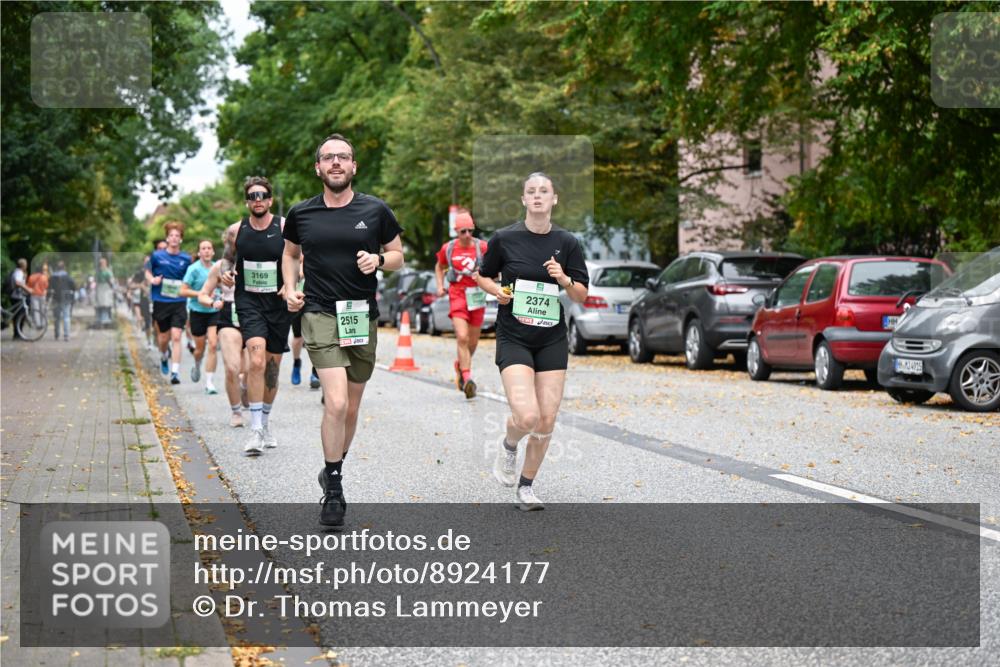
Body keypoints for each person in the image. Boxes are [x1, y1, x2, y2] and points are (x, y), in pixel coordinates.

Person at [281, 132, 404, 527]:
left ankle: (332, 465)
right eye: (329, 157)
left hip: (361, 316)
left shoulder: (376, 210)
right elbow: (289, 253)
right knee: (334, 403)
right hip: (318, 313)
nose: (336, 163)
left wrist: (379, 260)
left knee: (350, 406)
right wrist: (290, 287)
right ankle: (333, 487)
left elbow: (399, 255)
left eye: (344, 157)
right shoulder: (302, 214)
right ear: (318, 167)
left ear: (353, 166)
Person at [475, 172, 589, 511]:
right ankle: (510, 445)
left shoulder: (567, 243)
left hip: (551, 337)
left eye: (544, 191)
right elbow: (482, 275)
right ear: (524, 200)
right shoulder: (504, 238)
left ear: (554, 200)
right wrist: (497, 291)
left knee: (547, 420)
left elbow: (581, 295)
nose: (537, 196)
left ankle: (526, 487)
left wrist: (564, 278)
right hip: (514, 336)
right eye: (531, 192)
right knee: (527, 416)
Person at [222, 176, 291, 455]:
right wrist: (226, 272)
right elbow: (227, 258)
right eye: (252, 196)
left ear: (270, 200)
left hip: (278, 303)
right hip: (248, 302)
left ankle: (265, 421)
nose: (258, 199)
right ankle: (254, 431)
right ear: (246, 201)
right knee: (256, 360)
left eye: (262, 195)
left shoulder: (285, 227)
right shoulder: (236, 230)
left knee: (272, 370)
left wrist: (291, 282)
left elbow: (299, 258)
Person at [435, 210, 490, 399]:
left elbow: (495, 265)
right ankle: (467, 378)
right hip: (457, 294)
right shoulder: (448, 248)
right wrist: (440, 285)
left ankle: (460, 366)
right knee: (462, 337)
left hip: (477, 296)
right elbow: (439, 266)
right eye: (462, 231)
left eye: (469, 231)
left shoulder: (482, 247)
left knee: (473, 342)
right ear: (456, 231)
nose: (467, 235)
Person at [200, 228, 248, 427]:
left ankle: (245, 386)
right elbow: (203, 294)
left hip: (256, 314)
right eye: (232, 238)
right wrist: (212, 303)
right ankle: (236, 412)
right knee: (232, 368)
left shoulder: (260, 261)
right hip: (229, 315)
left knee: (252, 368)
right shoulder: (219, 266)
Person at [147, 221, 192, 384]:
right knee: (163, 338)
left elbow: (190, 277)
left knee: (177, 336)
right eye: (171, 236)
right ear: (167, 238)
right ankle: (164, 355)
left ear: (180, 239)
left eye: (177, 236)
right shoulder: (157, 256)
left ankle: (175, 373)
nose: (174, 238)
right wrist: (153, 280)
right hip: (161, 300)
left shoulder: (186, 259)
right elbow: (147, 271)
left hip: (179, 301)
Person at [181, 240, 220, 393]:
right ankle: (197, 363)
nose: (206, 251)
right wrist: (201, 294)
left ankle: (209, 383)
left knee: (212, 344)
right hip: (197, 312)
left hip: (214, 311)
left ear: (213, 252)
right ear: (199, 253)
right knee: (200, 349)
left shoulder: (218, 267)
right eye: (203, 248)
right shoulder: (193, 269)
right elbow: (183, 291)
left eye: (209, 248)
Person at [289, 255, 320, 388]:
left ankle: (316, 372)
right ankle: (296, 363)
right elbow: (298, 272)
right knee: (298, 337)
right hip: (298, 299)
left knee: (318, 337)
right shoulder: (295, 247)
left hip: (315, 299)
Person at [48, 260, 76, 341]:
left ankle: (56, 335)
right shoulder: (68, 277)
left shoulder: (52, 277)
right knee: (66, 317)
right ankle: (66, 335)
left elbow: (49, 287)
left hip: (55, 298)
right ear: (64, 268)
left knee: (56, 318)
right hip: (66, 298)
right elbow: (73, 286)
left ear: (57, 268)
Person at [27, 261, 50, 331]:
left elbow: (29, 286)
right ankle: (43, 323)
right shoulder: (44, 277)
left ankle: (38, 324)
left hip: (34, 295)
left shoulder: (31, 277)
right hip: (42, 295)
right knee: (42, 309)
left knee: (36, 310)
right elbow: (46, 286)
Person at [95, 257, 115, 327]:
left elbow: (110, 280)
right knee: (104, 304)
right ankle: (104, 319)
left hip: (104, 288)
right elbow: (111, 280)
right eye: (101, 263)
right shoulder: (104, 271)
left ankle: (104, 319)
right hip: (103, 288)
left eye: (102, 263)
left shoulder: (103, 271)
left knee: (104, 304)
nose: (102, 264)